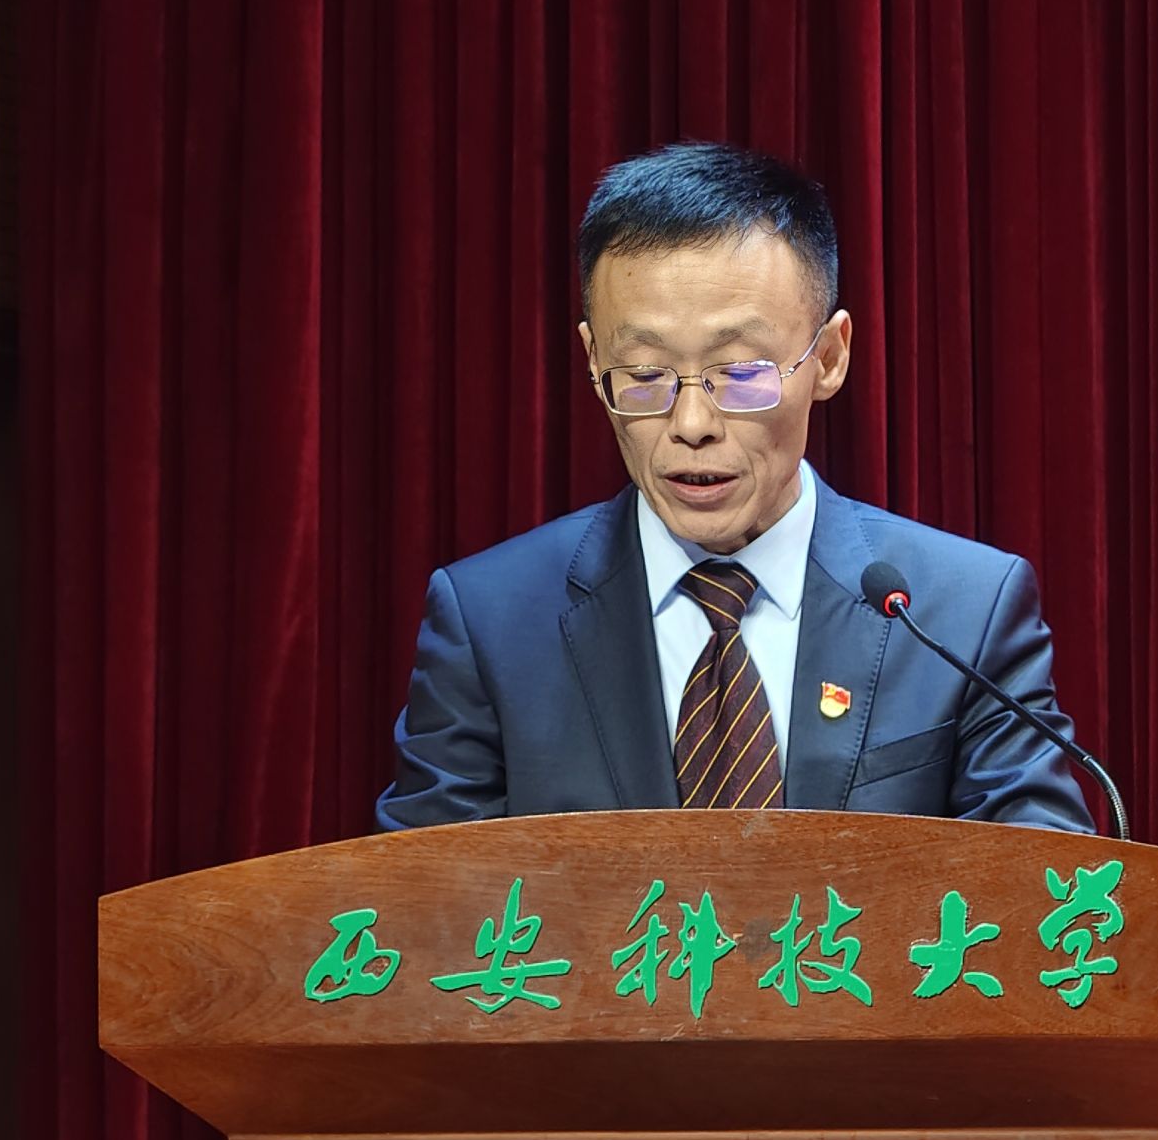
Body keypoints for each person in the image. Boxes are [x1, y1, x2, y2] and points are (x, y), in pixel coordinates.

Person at [376, 141, 1095, 832]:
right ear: (594, 362)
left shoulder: (961, 614)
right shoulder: (490, 622)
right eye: (646, 375)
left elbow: (1044, 890)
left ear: (830, 357)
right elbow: (420, 899)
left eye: (741, 373)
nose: (691, 424)